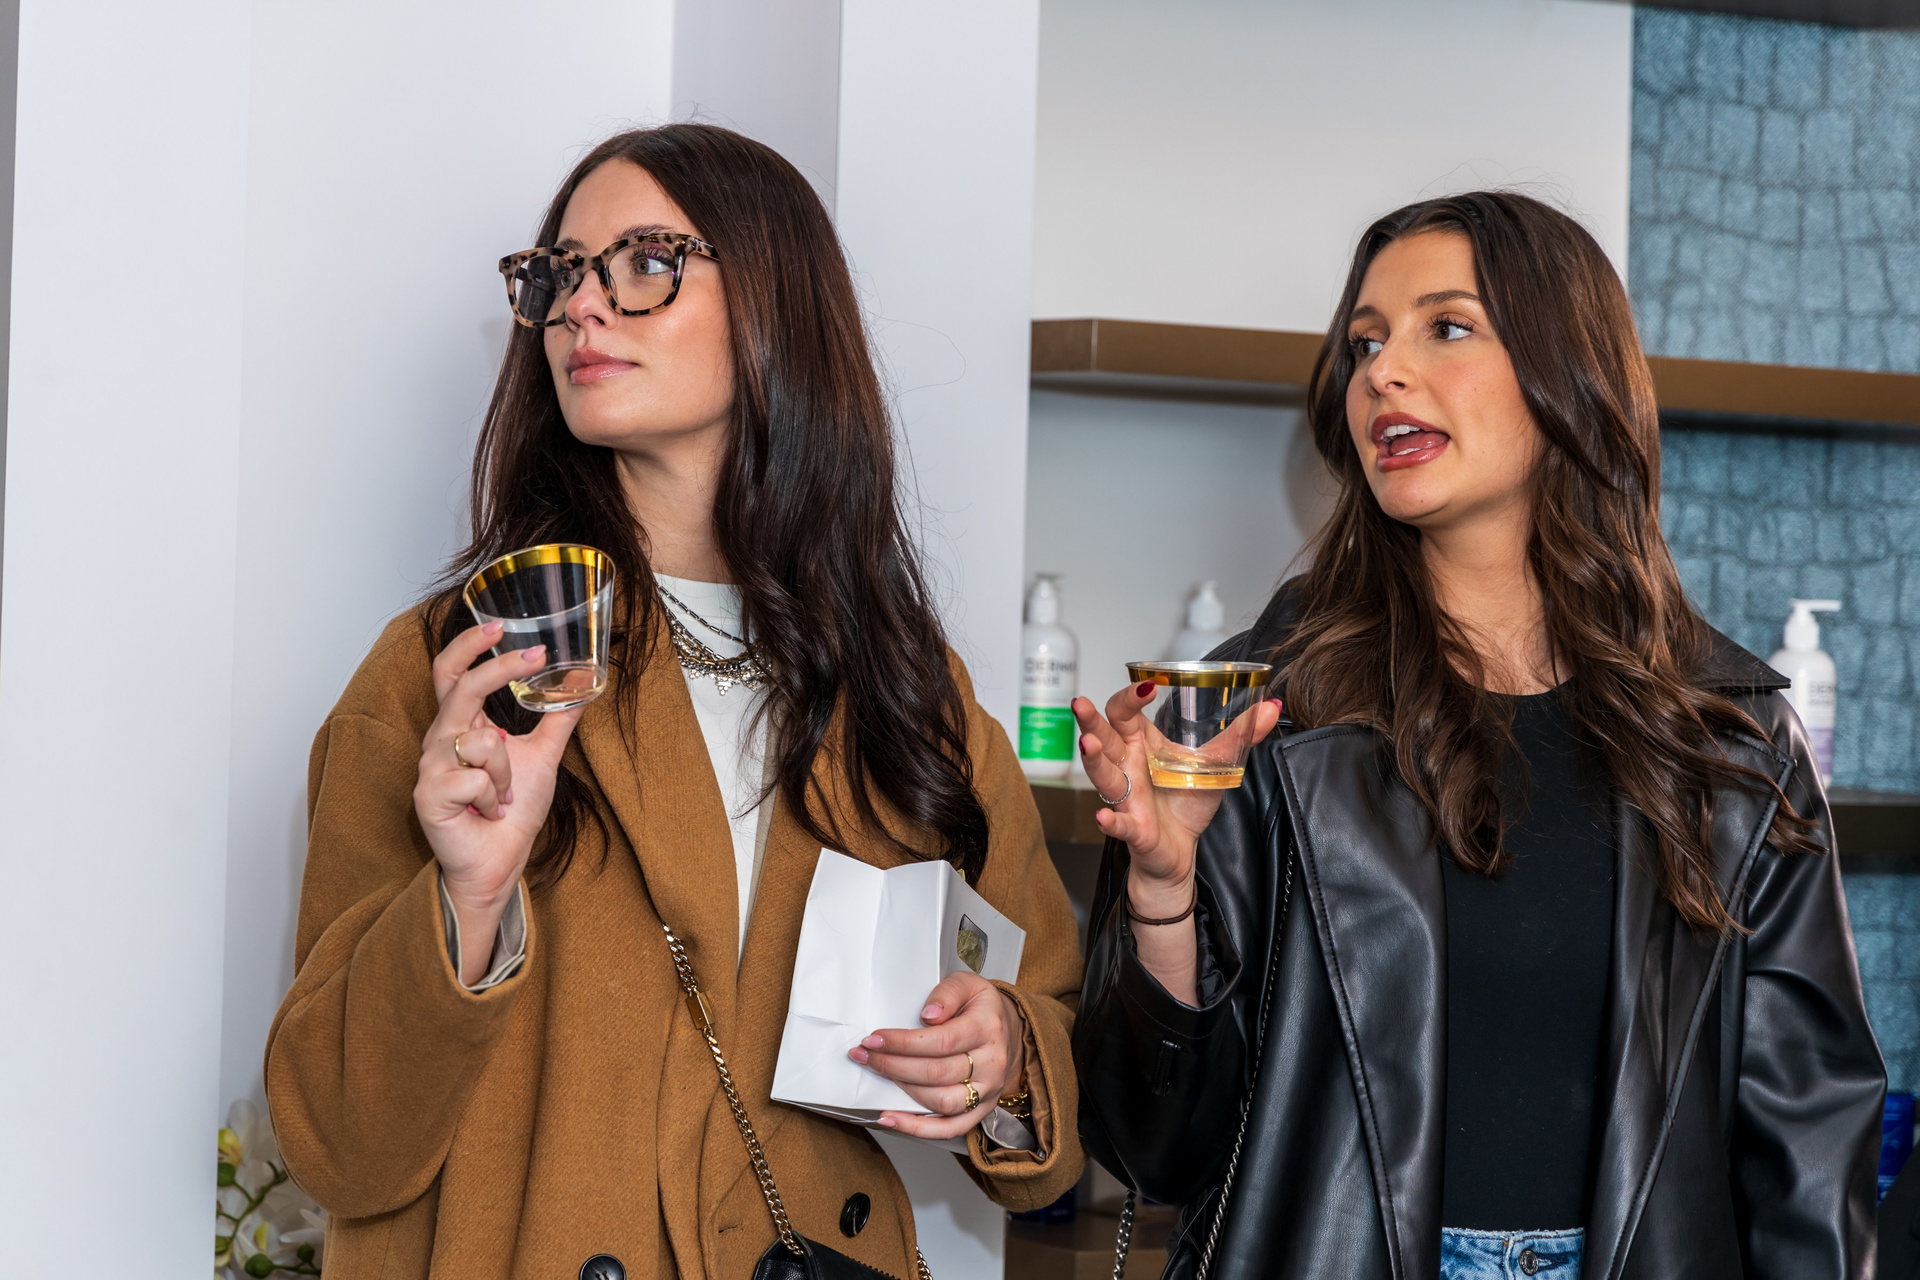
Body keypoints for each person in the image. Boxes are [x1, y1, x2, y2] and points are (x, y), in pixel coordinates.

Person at [265, 123, 1082, 1280]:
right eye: (558, 274)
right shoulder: (457, 669)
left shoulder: (904, 689)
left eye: (646, 262)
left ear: (778, 305)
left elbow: (1047, 1071)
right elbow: (336, 1145)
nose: (580, 307)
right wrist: (466, 897)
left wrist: (1000, 1057)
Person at [1071, 192, 1885, 1279]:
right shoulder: (1259, 711)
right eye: (1366, 343)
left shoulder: (1729, 735)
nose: (1384, 373)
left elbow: (1810, 1148)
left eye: (1446, 327)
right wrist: (1162, 894)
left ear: (1567, 374)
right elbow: (1154, 1148)